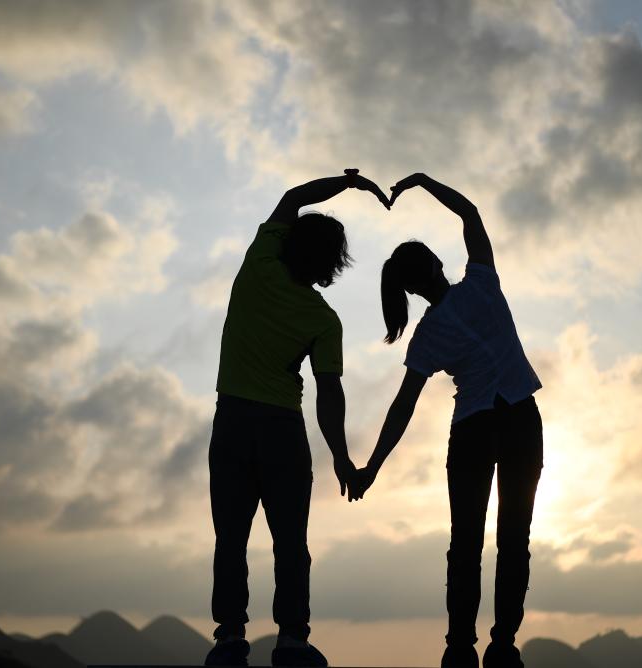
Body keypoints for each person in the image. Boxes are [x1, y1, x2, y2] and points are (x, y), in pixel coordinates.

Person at [350, 173, 543, 668]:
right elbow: (471, 214)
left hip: (477, 428)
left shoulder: (427, 333)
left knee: (467, 542)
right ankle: (500, 645)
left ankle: (462, 647)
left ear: (410, 289)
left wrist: (371, 467)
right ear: (434, 265)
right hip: (518, 419)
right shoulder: (481, 282)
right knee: (512, 539)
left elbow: (403, 408)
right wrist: (422, 183)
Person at [206, 169, 390, 667]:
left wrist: (347, 182)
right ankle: (291, 641)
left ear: (290, 242)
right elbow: (329, 393)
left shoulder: (259, 262)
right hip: (282, 433)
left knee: (232, 538)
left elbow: (293, 196)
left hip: (233, 424)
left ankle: (229, 639)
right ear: (332, 263)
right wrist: (341, 457)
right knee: (291, 543)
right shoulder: (324, 319)